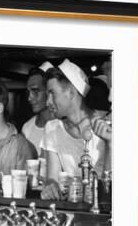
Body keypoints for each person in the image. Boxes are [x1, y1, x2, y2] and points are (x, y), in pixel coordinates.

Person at [41, 60, 112, 200]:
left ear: (71, 93)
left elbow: (112, 185)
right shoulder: (52, 129)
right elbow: (52, 178)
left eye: (52, 93)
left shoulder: (106, 126)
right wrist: (50, 186)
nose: (47, 102)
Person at [21, 62, 55, 155]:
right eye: (28, 92)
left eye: (35, 91)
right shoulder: (27, 128)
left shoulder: (63, 127)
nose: (29, 98)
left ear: (49, 91)